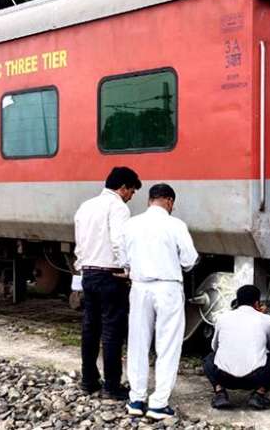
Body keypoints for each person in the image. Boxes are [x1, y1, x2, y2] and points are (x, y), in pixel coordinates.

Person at [121, 183, 198, 420]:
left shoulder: (131, 224)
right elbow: (189, 259)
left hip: (140, 287)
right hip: (167, 287)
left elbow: (124, 260)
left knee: (138, 343)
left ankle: (136, 399)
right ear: (169, 201)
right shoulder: (176, 225)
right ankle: (158, 404)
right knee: (167, 346)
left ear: (149, 200)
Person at [74, 166, 142, 400]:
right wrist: (127, 268)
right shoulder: (118, 207)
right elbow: (118, 241)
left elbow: (79, 242)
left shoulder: (86, 206)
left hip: (88, 273)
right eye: (131, 191)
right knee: (112, 331)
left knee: (90, 329)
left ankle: (88, 381)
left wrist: (81, 265)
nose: (131, 196)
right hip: (110, 276)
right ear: (122, 187)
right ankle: (112, 386)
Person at [203, 284, 270, 410]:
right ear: (257, 303)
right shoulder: (266, 320)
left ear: (237, 301)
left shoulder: (222, 318)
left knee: (209, 359)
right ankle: (259, 394)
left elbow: (214, 347)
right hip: (254, 379)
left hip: (224, 378)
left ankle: (220, 393)